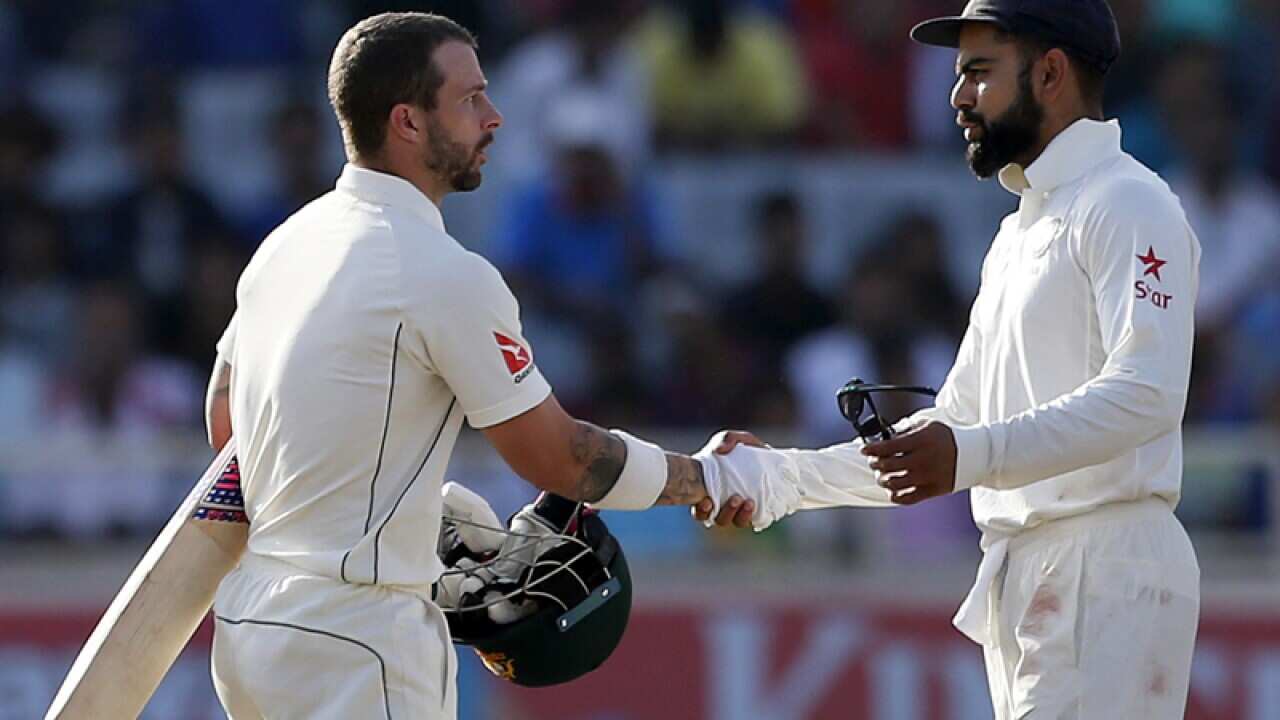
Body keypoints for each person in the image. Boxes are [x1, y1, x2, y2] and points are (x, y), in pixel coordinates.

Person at [204, 13, 770, 720]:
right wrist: (706, 478)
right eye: (470, 99)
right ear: (408, 121)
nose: (495, 117)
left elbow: (226, 421)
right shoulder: (443, 272)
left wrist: (379, 512)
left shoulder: (287, 243)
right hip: (360, 637)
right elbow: (563, 460)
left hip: (250, 626)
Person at [696, 1, 1203, 717]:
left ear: (1050, 73)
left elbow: (1148, 393)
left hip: (1106, 563)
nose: (958, 97)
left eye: (979, 72)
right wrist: (778, 478)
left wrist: (971, 453)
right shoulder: (1018, 234)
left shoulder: (1128, 202)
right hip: (1033, 569)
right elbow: (957, 425)